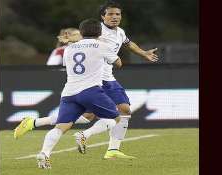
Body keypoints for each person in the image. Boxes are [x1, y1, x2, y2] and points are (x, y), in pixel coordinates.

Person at [74, 1, 158, 159]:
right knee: (102, 115)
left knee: (118, 112)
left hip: (108, 78)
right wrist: (71, 38)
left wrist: (144, 53)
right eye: (110, 14)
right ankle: (41, 123)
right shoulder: (97, 31)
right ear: (102, 16)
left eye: (117, 14)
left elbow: (128, 43)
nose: (114, 17)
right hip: (97, 78)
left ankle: (112, 150)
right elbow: (80, 38)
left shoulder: (119, 32)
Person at [36, 18, 122, 169]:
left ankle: (44, 153)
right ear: (100, 32)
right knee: (115, 118)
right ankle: (84, 135)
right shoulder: (102, 45)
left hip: (69, 92)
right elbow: (118, 63)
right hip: (91, 90)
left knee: (61, 127)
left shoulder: (69, 49)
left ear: (81, 32)